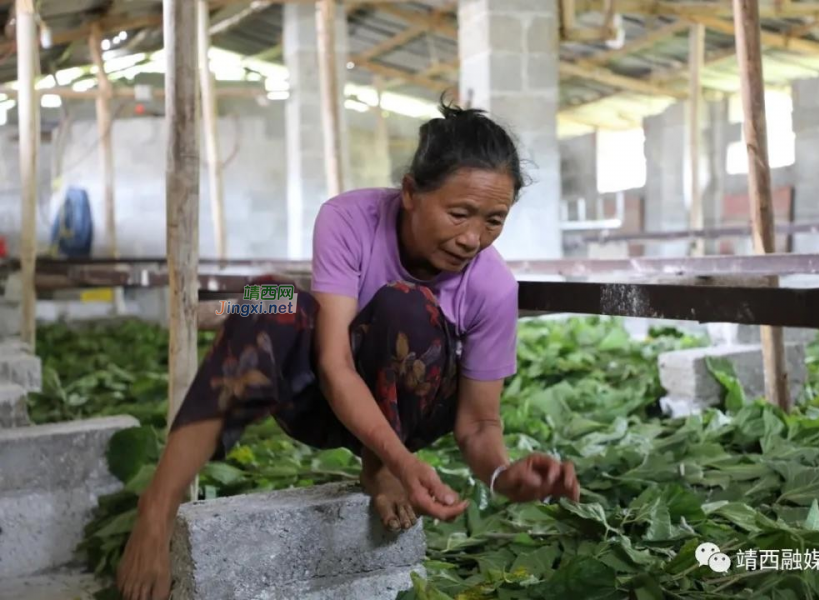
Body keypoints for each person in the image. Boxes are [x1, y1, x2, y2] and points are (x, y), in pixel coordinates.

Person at [116, 97, 581, 600]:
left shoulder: (493, 287)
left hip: (414, 411)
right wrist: (402, 464)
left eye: (494, 220)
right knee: (268, 294)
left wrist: (501, 475)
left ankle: (376, 463)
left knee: (408, 305)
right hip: (325, 395)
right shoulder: (348, 217)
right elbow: (333, 364)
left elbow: (478, 424)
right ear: (410, 193)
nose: (472, 238)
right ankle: (157, 507)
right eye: (459, 213)